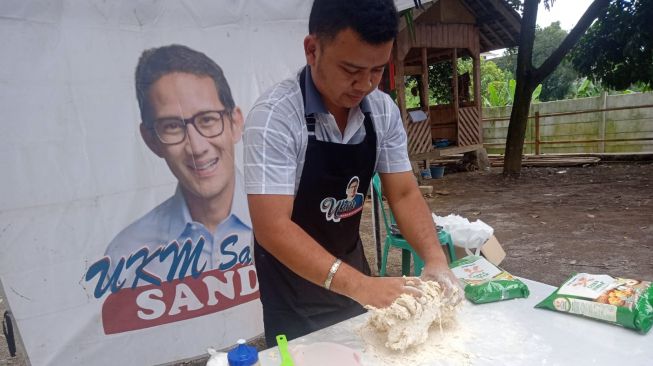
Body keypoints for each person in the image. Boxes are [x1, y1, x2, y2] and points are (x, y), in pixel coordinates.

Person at [244, 0, 461, 345]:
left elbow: (403, 193)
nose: (365, 84)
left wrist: (435, 260)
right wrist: (362, 286)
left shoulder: (381, 111)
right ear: (312, 50)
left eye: (377, 70)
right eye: (351, 70)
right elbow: (272, 228)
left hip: (351, 267)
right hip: (293, 290)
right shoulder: (275, 118)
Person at [100, 45, 251, 290]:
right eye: (172, 126)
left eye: (208, 120)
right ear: (151, 140)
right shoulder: (125, 256)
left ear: (235, 123)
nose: (196, 147)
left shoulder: (294, 217)